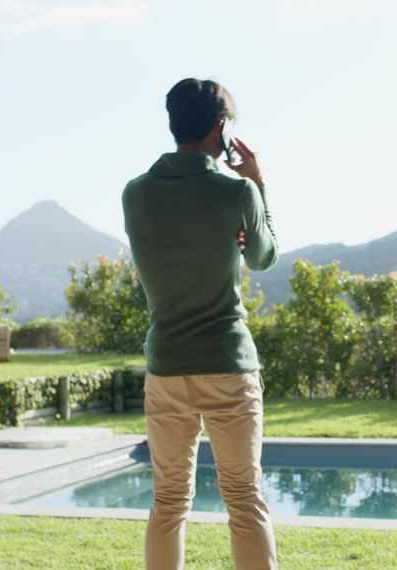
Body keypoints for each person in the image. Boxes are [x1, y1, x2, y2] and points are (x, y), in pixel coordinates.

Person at [122, 77, 280, 570]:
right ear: (221, 128)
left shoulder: (135, 194)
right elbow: (263, 257)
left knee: (168, 501)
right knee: (244, 499)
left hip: (166, 366)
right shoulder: (237, 191)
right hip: (228, 364)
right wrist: (257, 183)